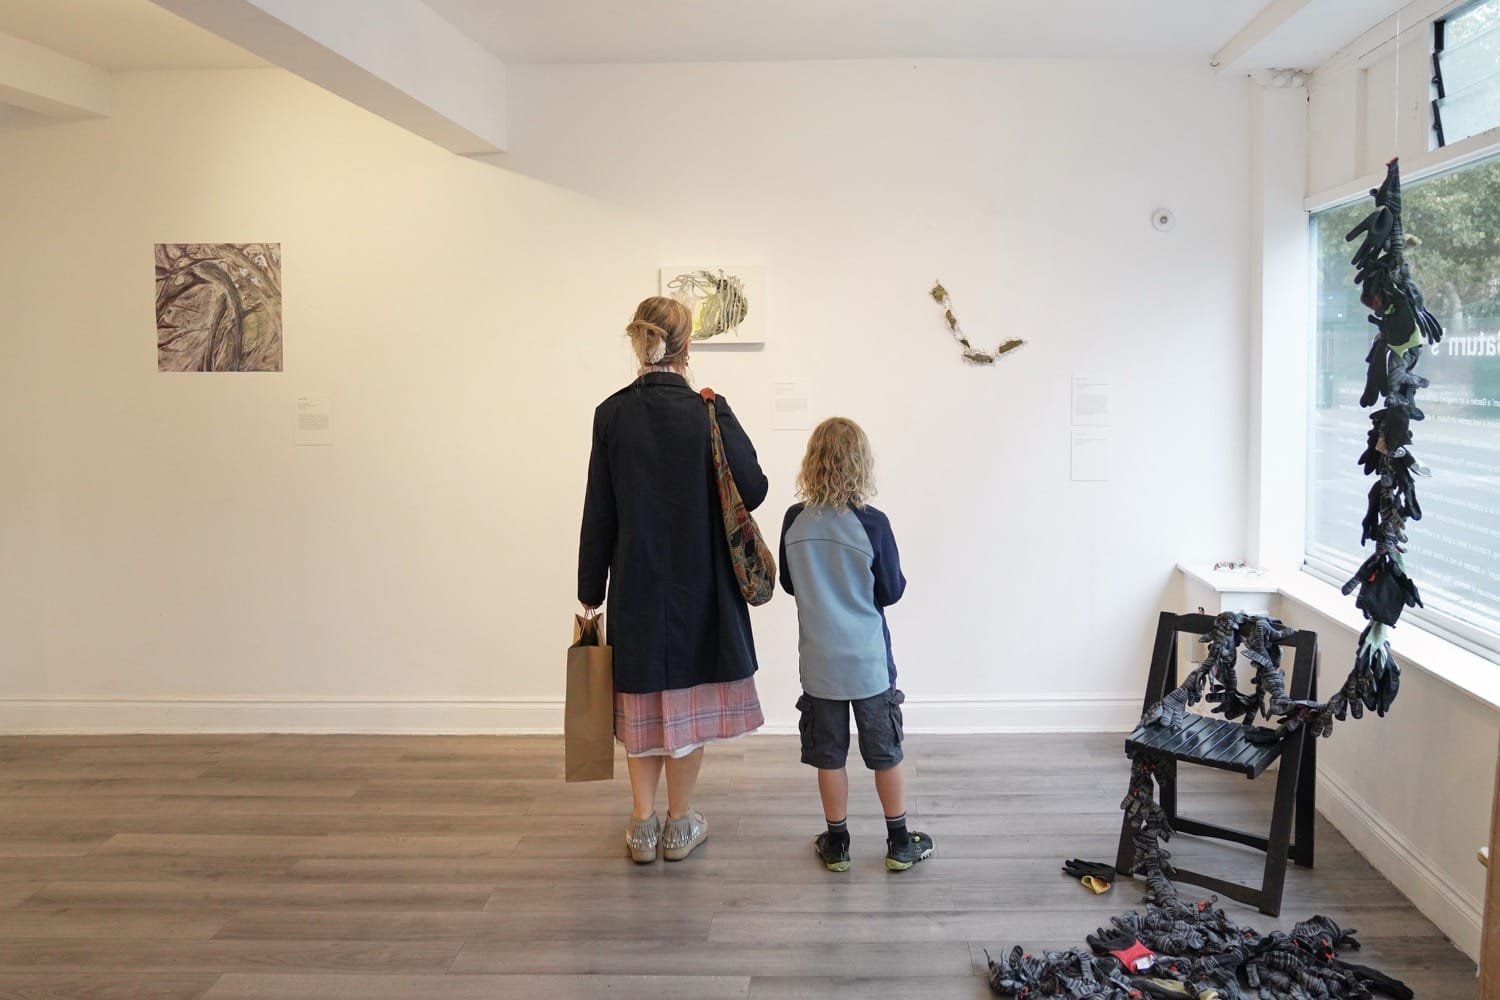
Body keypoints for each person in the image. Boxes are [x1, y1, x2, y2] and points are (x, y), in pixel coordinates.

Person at [578, 296, 768, 864]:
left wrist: (590, 593)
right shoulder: (707, 411)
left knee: (641, 709)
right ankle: (680, 825)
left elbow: (599, 512)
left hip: (636, 584)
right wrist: (723, 413)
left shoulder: (611, 413)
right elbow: (753, 490)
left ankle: (641, 826)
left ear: (641, 343)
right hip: (700, 586)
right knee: (685, 712)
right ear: (688, 346)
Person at [779, 417, 935, 872]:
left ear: (812, 462)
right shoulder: (873, 524)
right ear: (860, 464)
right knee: (885, 752)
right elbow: (891, 590)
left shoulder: (794, 520)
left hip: (819, 663)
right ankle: (899, 842)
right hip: (868, 663)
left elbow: (790, 583)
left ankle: (837, 843)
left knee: (829, 756)